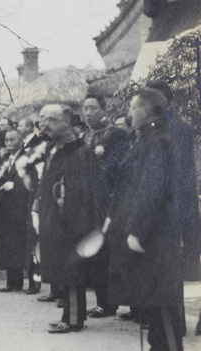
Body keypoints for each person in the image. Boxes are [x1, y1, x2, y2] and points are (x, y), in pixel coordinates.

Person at [107, 88, 187, 350]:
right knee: (152, 304)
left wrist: (137, 230)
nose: (129, 114)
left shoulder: (159, 142)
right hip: (149, 235)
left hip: (156, 236)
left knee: (162, 305)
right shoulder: (146, 140)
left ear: (146, 110)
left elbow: (152, 190)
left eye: (132, 108)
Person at [35, 104, 100, 333]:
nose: (45, 125)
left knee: (72, 270)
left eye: (51, 120)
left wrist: (75, 224)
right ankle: (72, 315)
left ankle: (73, 320)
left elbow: (81, 194)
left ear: (67, 122)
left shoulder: (78, 152)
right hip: (55, 219)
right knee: (65, 268)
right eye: (44, 120)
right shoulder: (54, 148)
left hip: (71, 221)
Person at [81, 94, 129, 319]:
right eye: (85, 108)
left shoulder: (115, 134)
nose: (88, 112)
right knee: (96, 253)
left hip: (109, 202)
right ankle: (102, 302)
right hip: (90, 203)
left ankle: (112, 303)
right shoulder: (86, 135)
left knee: (110, 253)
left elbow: (116, 166)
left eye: (93, 107)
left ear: (103, 109)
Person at [0, 130, 31, 293]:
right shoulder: (6, 158)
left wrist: (16, 186)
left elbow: (32, 180)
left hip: (20, 206)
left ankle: (28, 283)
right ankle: (12, 281)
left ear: (21, 142)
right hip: (7, 206)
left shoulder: (26, 158)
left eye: (12, 140)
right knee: (9, 244)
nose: (7, 143)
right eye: (6, 140)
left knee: (20, 243)